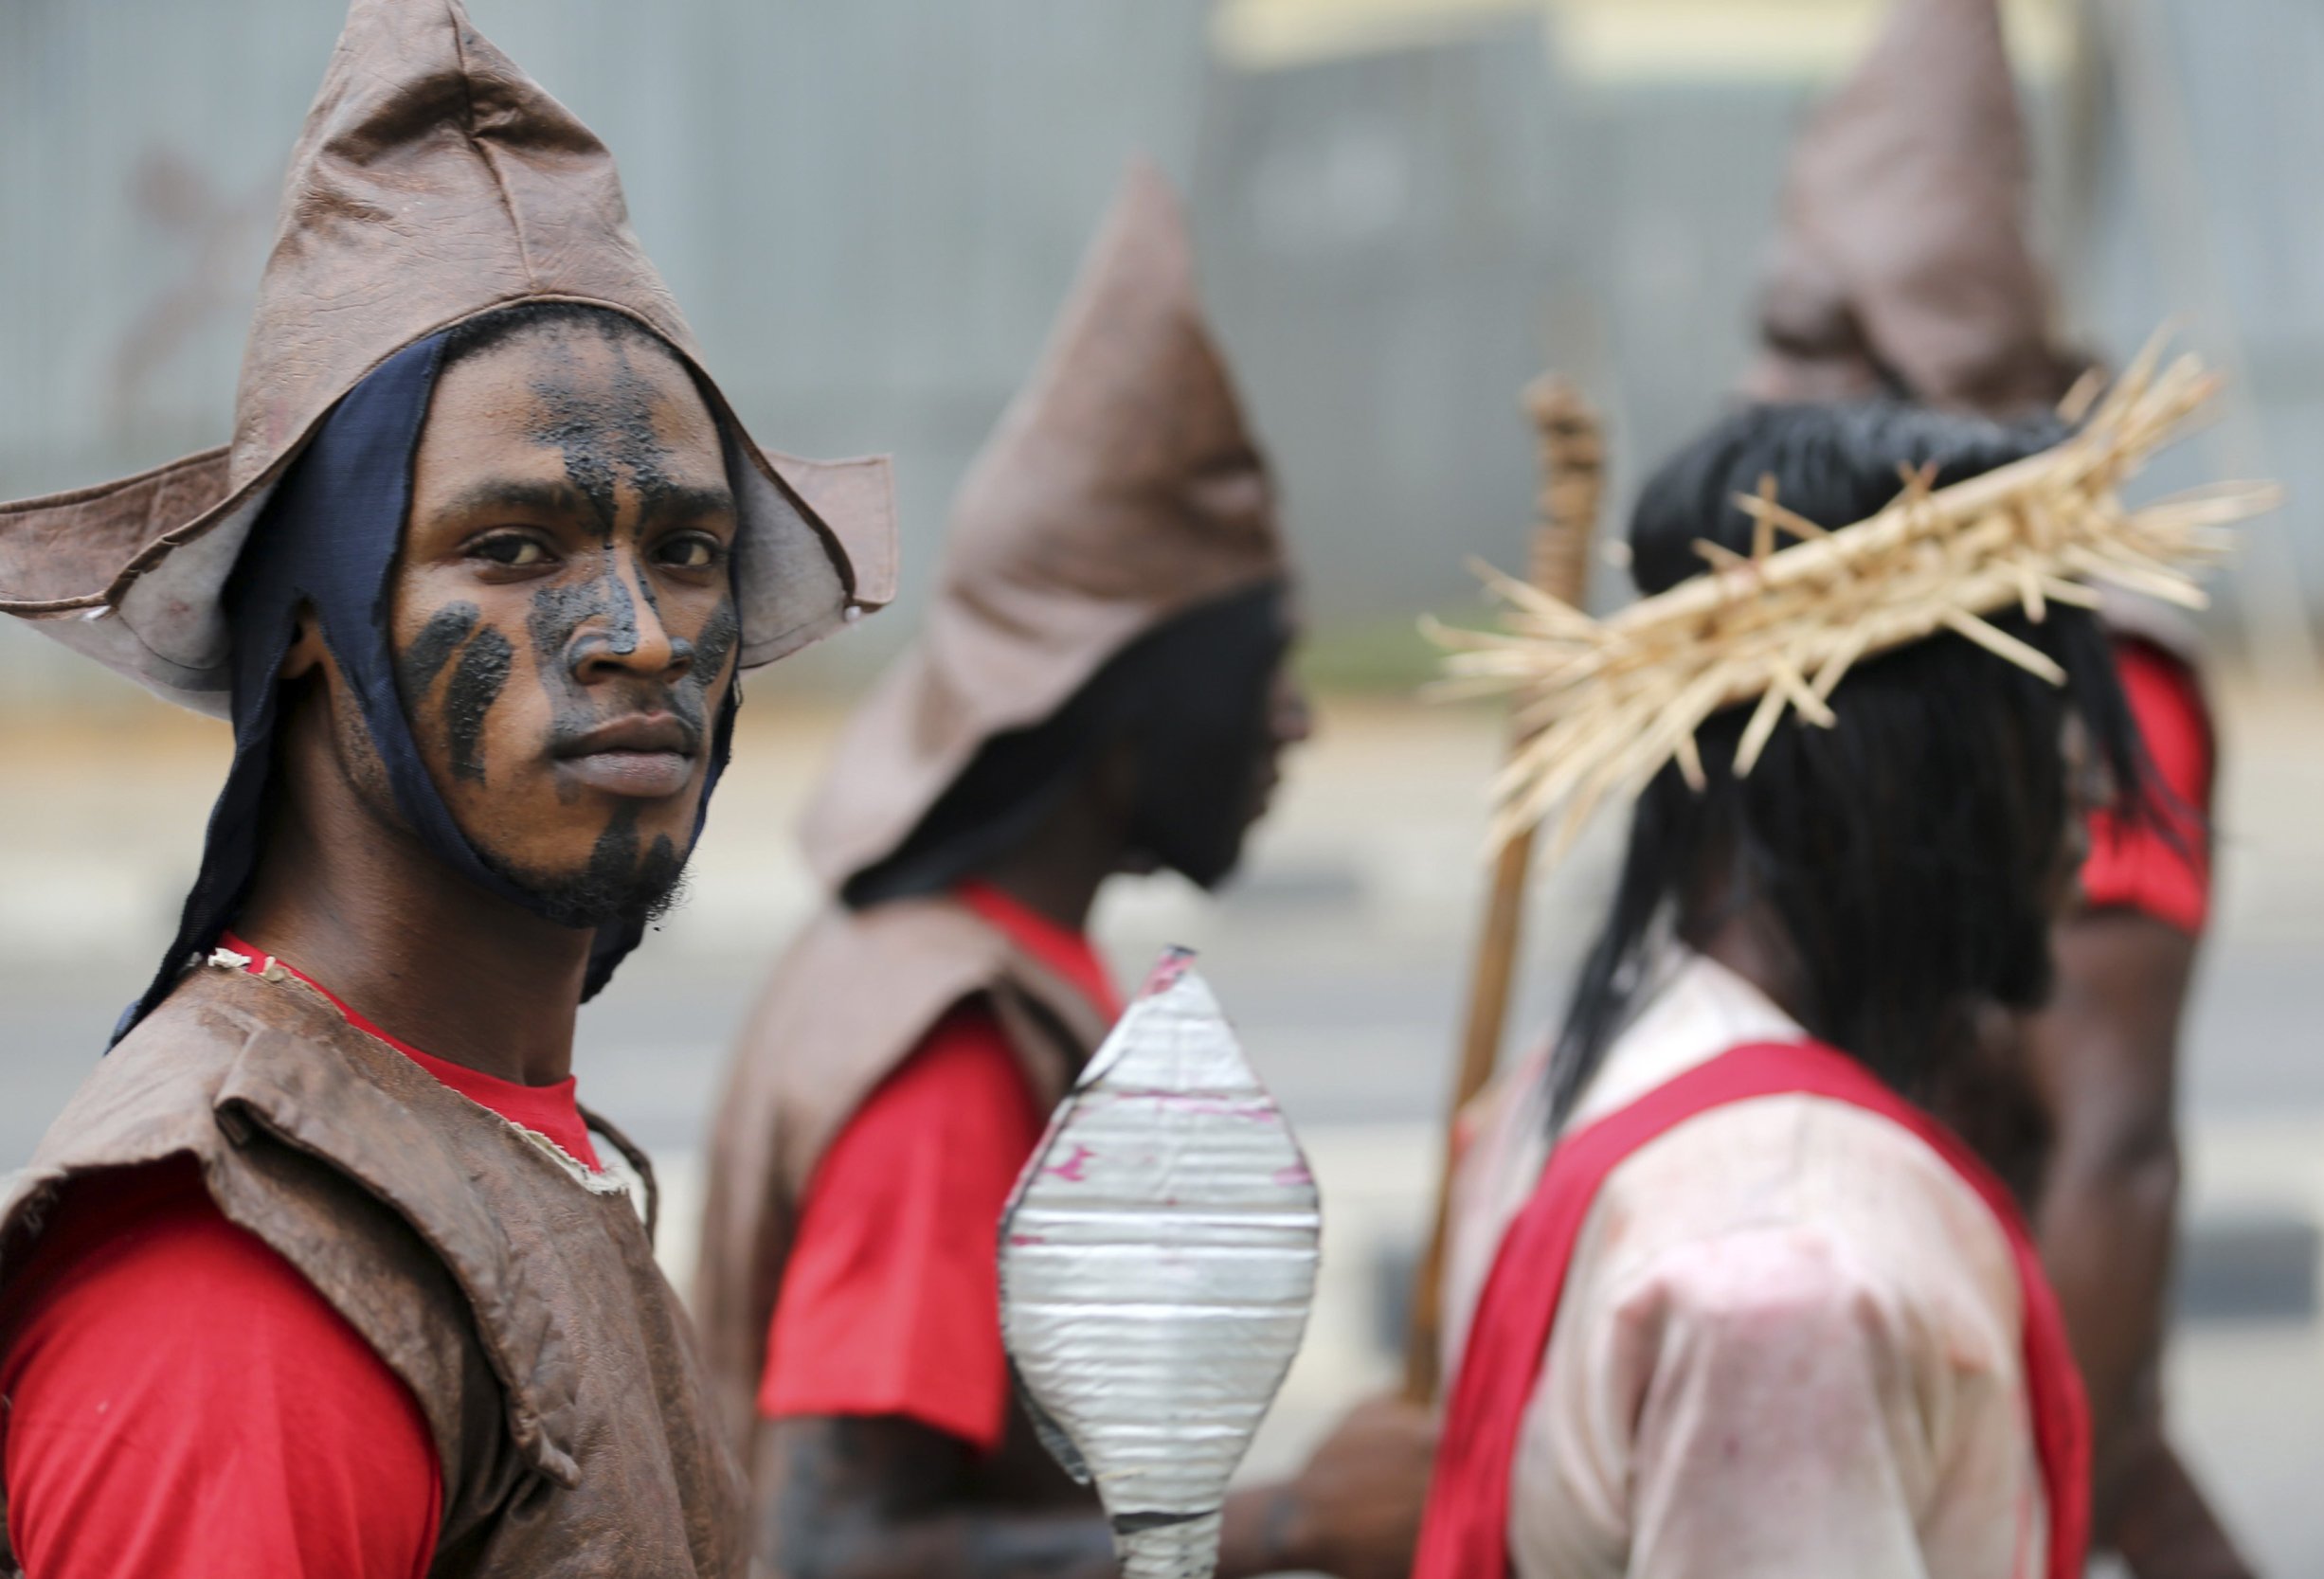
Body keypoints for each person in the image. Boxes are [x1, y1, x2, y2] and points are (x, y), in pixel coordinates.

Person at [0, 2, 893, 1573]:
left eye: (687, 553)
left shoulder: (493, 1132)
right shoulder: (244, 1293)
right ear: (304, 630)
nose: (636, 637)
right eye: (512, 549)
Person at [694, 162, 1433, 1579]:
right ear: (1121, 718)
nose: (1299, 719)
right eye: (1261, 669)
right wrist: (1293, 1523)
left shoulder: (998, 966)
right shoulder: (949, 1051)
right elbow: (839, 1547)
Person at [1421, 398, 2167, 1577]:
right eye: (2035, 709)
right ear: (1899, 754)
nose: (2083, 783)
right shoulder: (1795, 1265)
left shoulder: (1565, 1089)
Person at [1748, 0, 2246, 1569]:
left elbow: (2113, 1143)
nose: (1768, 398)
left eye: (1822, 359)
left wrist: (2032, 1508)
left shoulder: (2105, 691)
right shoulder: (1799, 635)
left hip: (1996, 1388)